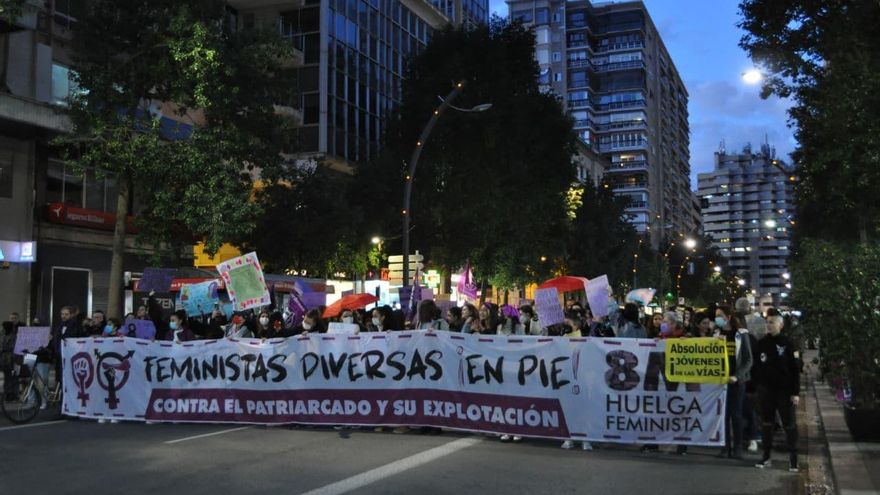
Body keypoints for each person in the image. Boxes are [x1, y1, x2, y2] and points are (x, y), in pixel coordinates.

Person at [754, 314, 801, 472]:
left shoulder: (787, 343)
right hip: (766, 390)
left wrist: (795, 392)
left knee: (789, 424)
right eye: (768, 322)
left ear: (780, 325)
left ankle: (793, 458)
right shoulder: (761, 343)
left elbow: (795, 370)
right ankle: (766, 456)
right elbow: (757, 366)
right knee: (767, 423)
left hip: (784, 390)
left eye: (772, 322)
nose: (769, 325)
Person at [715, 305, 753, 460]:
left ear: (728, 317)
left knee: (735, 414)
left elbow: (748, 359)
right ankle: (725, 446)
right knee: (722, 415)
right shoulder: (717, 334)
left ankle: (737, 447)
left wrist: (737, 376)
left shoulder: (741, 334)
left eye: (720, 315)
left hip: (737, 381)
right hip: (720, 381)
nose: (717, 318)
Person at [1, 319, 20, 400]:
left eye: (4, 327)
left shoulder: (14, 336)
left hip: (11, 359)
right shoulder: (3, 335)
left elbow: (13, 348)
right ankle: (7, 393)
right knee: (7, 377)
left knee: (13, 377)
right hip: (4, 360)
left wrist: (3, 349)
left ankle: (13, 395)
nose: (3, 329)